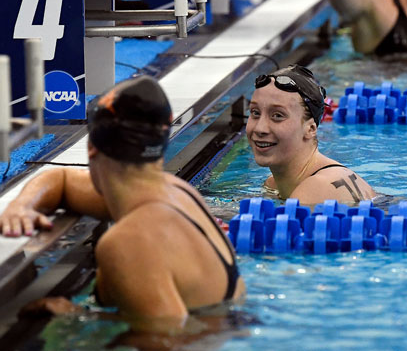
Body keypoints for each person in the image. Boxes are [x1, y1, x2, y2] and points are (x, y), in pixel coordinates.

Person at [0, 76, 245, 332]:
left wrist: (77, 318)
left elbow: (166, 338)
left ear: (92, 148)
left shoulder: (128, 241)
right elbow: (61, 179)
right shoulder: (176, 190)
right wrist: (23, 206)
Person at [247, 64, 375, 205]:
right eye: (255, 113)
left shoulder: (317, 189)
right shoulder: (274, 185)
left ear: (311, 129)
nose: (260, 128)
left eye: (278, 115)